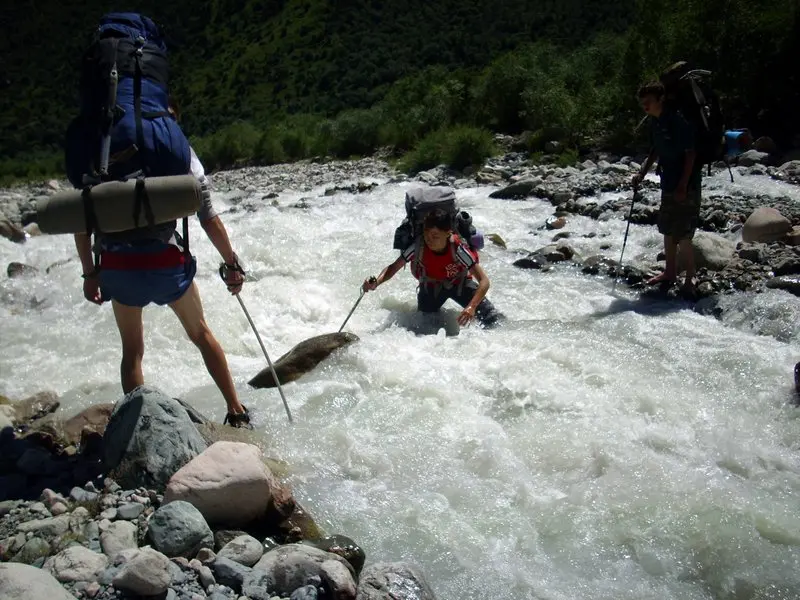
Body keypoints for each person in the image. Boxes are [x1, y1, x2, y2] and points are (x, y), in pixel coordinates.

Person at [74, 142, 254, 429]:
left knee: (132, 350)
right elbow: (208, 218)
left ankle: (138, 426)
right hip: (166, 265)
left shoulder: (102, 152)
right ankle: (236, 410)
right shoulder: (176, 150)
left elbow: (81, 225)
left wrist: (89, 274)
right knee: (201, 333)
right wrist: (232, 265)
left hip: (118, 267)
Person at [362, 209, 502, 327]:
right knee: (424, 325)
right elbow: (393, 267)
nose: (429, 239)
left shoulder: (458, 249)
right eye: (426, 234)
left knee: (492, 317)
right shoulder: (418, 246)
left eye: (435, 236)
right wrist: (376, 282)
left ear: (448, 233)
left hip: (459, 284)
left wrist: (471, 307)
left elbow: (484, 281)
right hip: (430, 287)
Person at [632, 81, 703, 295]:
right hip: (668, 182)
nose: (645, 106)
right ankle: (670, 272)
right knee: (667, 228)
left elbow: (691, 154)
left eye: (648, 102)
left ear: (660, 100)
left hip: (686, 184)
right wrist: (641, 173)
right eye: (642, 103)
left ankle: (691, 277)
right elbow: (655, 150)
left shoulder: (677, 120)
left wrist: (683, 185)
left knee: (683, 233)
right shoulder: (655, 122)